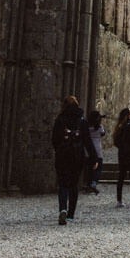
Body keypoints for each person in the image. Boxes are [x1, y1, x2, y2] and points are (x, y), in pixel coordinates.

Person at [51, 95, 97, 225]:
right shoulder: (82, 120)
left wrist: (60, 150)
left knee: (63, 184)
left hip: (63, 156)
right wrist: (94, 158)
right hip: (77, 156)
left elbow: (54, 139)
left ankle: (62, 209)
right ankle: (71, 214)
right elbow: (88, 141)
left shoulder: (60, 119)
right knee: (73, 185)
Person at [87, 109, 105, 194]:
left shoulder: (87, 127)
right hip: (97, 150)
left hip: (88, 149)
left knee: (90, 168)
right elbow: (103, 133)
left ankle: (88, 184)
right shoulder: (99, 127)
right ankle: (94, 183)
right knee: (98, 168)